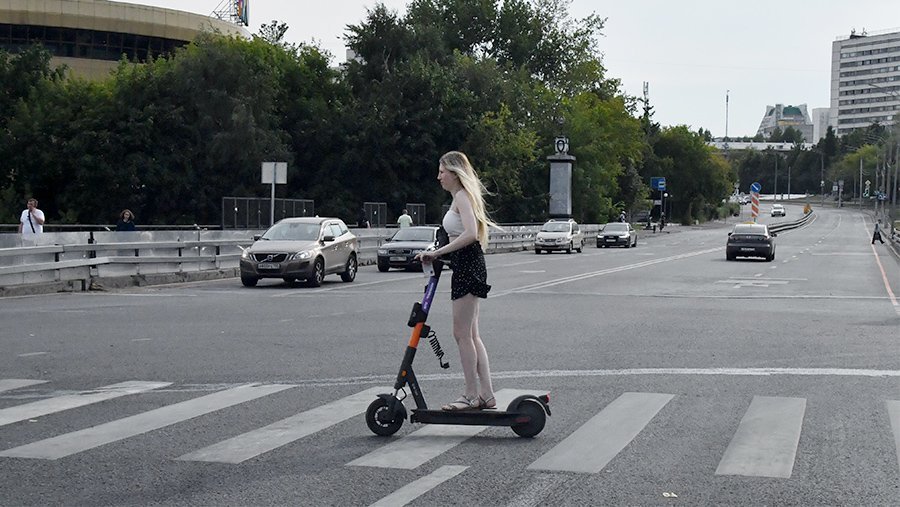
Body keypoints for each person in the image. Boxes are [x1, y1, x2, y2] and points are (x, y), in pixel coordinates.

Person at [416, 151, 498, 411]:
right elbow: (459, 235)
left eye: (442, 171)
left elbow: (471, 234)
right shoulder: (459, 198)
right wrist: (439, 252)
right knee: (471, 334)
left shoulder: (462, 196)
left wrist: (439, 253)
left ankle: (471, 395)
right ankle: (487, 394)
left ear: (455, 173)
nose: (438, 176)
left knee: (461, 334)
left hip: (468, 265)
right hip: (466, 264)